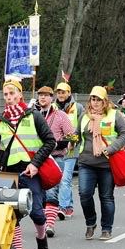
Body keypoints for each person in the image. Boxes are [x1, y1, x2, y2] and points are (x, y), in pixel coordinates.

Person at [0, 79, 56, 249]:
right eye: (6, 95)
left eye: (12, 94)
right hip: (9, 173)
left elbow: (50, 141)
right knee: (12, 214)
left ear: (20, 95)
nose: (9, 98)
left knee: (37, 212)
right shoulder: (1, 121)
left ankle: (41, 237)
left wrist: (35, 164)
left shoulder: (33, 115)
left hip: (30, 171)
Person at [77, 86, 125, 240]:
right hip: (86, 162)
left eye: (99, 99)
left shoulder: (115, 115)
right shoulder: (84, 116)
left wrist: (112, 148)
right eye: (93, 99)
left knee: (106, 197)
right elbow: (76, 134)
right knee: (84, 194)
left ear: (105, 101)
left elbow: (124, 135)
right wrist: (71, 140)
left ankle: (106, 228)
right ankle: (90, 222)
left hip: (107, 164)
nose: (96, 102)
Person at [37, 86, 74, 238]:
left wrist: (58, 144)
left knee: (52, 190)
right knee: (39, 193)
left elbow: (72, 136)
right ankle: (42, 222)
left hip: (56, 157)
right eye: (40, 95)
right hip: (37, 159)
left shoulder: (61, 115)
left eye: (46, 95)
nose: (43, 98)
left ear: (52, 98)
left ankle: (49, 224)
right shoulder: (33, 115)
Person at [54, 81, 83, 219]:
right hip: (57, 150)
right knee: (63, 179)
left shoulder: (78, 107)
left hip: (72, 149)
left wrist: (74, 141)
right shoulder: (52, 107)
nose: (60, 95)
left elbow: (82, 126)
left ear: (69, 93)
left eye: (63, 92)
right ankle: (69, 206)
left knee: (65, 179)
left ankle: (63, 207)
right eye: (58, 92)